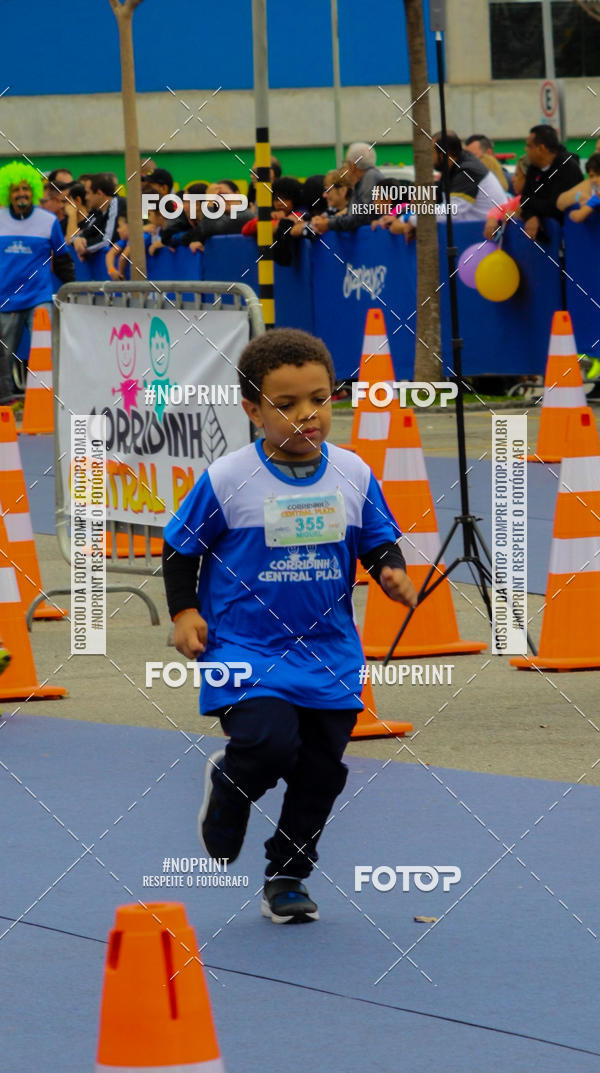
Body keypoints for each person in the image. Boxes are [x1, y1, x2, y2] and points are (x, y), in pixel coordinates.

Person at [161, 328, 418, 924]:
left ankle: (287, 876)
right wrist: (185, 612)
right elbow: (180, 550)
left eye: (320, 399)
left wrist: (391, 574)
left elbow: (377, 541)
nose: (308, 415)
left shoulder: (353, 472)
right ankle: (232, 784)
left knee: (322, 771)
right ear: (253, 411)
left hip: (328, 653)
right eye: (287, 404)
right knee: (269, 742)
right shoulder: (228, 479)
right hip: (247, 646)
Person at [0, 160, 74, 405]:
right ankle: (5, 403)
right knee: (3, 355)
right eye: (16, 190)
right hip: (5, 299)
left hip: (39, 297)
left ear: (33, 191)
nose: (22, 194)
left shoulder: (48, 221)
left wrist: (71, 290)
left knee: (46, 348)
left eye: (26, 189)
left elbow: (62, 259)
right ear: (7, 193)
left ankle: (51, 399)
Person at [520, 124, 583, 239]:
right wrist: (531, 216)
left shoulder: (568, 167)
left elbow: (556, 207)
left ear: (541, 148)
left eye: (529, 146)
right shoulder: (533, 168)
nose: (526, 149)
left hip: (570, 237)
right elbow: (524, 199)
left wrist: (532, 205)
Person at [310, 142, 386, 234]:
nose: (345, 167)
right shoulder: (367, 178)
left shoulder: (369, 178)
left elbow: (361, 217)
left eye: (345, 163)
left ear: (352, 166)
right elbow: (354, 215)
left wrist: (328, 223)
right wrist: (327, 221)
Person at [72, 173, 125, 260]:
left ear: (99, 193)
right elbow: (87, 231)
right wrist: (77, 240)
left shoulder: (117, 204)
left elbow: (107, 240)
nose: (86, 197)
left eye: (88, 193)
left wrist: (84, 248)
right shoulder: (98, 211)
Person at [483, 154, 529, 239]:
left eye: (517, 175)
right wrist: (492, 219)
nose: (513, 179)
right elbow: (500, 209)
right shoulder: (518, 200)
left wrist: (519, 217)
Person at [556, 152, 600, 223]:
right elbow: (560, 203)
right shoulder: (590, 185)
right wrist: (579, 196)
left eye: (598, 175)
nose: (594, 180)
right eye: (592, 176)